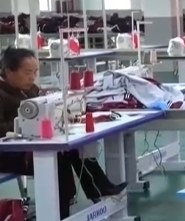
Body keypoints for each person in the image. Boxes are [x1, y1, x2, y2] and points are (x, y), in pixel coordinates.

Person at [0, 47, 126, 219]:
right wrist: (26, 122)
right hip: (6, 153)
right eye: (27, 72)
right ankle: (61, 212)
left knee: (72, 148)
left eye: (35, 72)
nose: (32, 77)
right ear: (9, 71)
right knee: (57, 158)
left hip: (25, 145)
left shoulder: (28, 89)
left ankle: (97, 189)